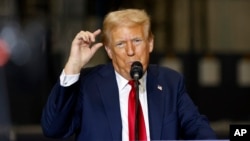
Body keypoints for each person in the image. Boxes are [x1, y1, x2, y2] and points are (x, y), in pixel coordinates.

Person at [41, 9, 217, 140]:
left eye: (137, 41)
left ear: (150, 43)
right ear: (109, 50)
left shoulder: (170, 82)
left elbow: (198, 128)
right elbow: (53, 129)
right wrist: (73, 66)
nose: (130, 51)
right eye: (120, 44)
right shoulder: (88, 85)